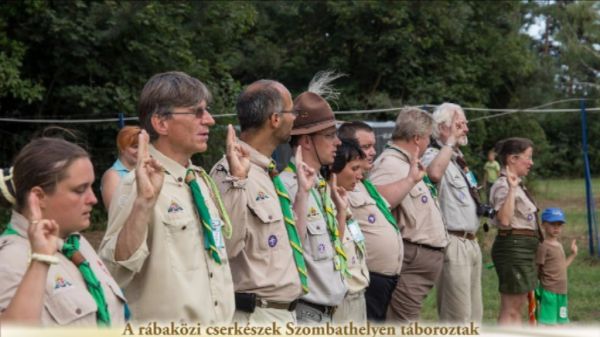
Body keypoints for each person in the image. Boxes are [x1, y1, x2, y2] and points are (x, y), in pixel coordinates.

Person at [99, 71, 234, 323]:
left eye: (206, 111)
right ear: (161, 123)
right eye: (197, 112)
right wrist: (142, 204)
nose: (210, 120)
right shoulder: (137, 185)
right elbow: (114, 272)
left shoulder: (199, 182)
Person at [210, 80, 312, 324]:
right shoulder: (229, 172)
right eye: (292, 112)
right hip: (255, 316)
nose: (295, 119)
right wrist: (237, 179)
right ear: (275, 119)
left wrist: (303, 194)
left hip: (280, 314)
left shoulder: (267, 172)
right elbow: (224, 245)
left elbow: (289, 243)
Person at [0, 137, 126, 326]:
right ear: (39, 197)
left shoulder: (74, 242)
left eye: (91, 187)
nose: (93, 199)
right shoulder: (9, 259)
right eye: (79, 190)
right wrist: (40, 261)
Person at [279, 76, 348, 324]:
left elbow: (330, 248)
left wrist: (340, 214)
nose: (338, 142)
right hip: (306, 313)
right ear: (307, 140)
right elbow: (290, 250)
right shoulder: (288, 188)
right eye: (329, 135)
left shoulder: (320, 186)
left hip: (328, 312)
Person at [369, 107, 448, 322]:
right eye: (427, 139)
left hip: (418, 261)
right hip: (411, 259)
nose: (428, 144)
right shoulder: (390, 164)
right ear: (417, 138)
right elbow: (374, 208)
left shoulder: (404, 164)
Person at [419, 103, 482, 322]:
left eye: (465, 124)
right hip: (453, 243)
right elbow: (434, 174)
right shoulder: (433, 154)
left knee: (474, 315)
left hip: (471, 243)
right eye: (460, 124)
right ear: (443, 127)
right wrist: (450, 142)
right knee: (457, 317)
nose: (465, 128)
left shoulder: (456, 158)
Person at [337, 121, 403, 322]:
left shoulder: (364, 184)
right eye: (366, 147)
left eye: (373, 146)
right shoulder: (343, 187)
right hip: (364, 279)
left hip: (375, 278)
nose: (373, 152)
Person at [489, 137, 539, 325]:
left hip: (522, 249)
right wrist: (511, 189)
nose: (531, 162)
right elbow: (504, 219)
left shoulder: (517, 184)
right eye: (528, 157)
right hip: (514, 249)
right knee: (511, 309)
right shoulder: (504, 185)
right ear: (512, 159)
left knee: (517, 307)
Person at [326, 140, 369, 323]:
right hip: (341, 300)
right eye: (354, 169)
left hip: (358, 296)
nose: (360, 176)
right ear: (334, 170)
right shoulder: (326, 205)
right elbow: (333, 249)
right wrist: (341, 213)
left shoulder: (344, 201)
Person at [535, 207, 577, 325]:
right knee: (548, 324)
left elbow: (561, 268)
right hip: (549, 292)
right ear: (543, 225)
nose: (556, 227)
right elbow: (536, 268)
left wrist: (573, 255)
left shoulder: (559, 245)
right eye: (553, 224)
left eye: (559, 224)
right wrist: (536, 288)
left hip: (562, 292)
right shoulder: (543, 246)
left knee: (561, 323)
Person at [101, 125, 140, 208]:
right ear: (122, 148)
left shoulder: (144, 171)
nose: (139, 151)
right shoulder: (112, 176)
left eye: (142, 147)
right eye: (135, 147)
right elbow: (115, 213)